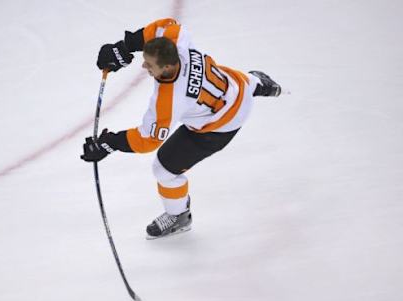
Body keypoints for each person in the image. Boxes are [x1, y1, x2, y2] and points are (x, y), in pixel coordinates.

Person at [81, 18, 281, 239]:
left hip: (221, 124)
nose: (143, 66)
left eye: (149, 64)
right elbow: (162, 27)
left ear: (167, 67)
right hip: (237, 85)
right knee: (229, 83)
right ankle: (260, 84)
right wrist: (124, 47)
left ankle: (179, 216)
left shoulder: (170, 100)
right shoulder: (178, 41)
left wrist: (111, 143)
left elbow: (149, 140)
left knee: (164, 169)